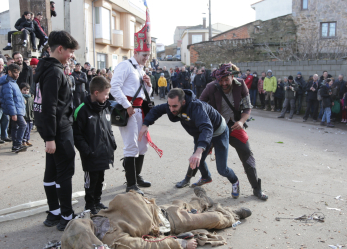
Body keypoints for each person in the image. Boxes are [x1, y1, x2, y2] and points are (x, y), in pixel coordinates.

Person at [60, 187, 252, 249]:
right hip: (169, 223)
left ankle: (203, 201)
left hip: (158, 209)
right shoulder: (112, 239)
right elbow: (145, 247)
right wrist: (181, 244)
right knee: (213, 220)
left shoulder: (97, 218)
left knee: (187, 206)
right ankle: (233, 215)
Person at [180, 63, 267, 200]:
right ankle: (188, 178)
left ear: (232, 77)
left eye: (226, 80)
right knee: (198, 153)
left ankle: (256, 188)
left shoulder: (241, 85)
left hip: (234, 126)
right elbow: (198, 105)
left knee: (246, 153)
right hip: (215, 128)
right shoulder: (211, 87)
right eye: (221, 80)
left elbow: (247, 108)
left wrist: (241, 122)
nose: (224, 83)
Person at [140, 88, 241, 199]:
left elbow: (207, 128)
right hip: (200, 132)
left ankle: (235, 181)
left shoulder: (196, 107)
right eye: (169, 105)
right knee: (197, 160)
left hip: (218, 131)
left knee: (222, 169)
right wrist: (146, 124)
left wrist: (199, 150)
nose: (171, 109)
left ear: (183, 102)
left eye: (174, 106)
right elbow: (156, 110)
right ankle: (206, 177)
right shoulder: (172, 105)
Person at [33, 30, 79, 231]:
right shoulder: (54, 72)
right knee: (64, 173)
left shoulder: (45, 68)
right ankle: (66, 215)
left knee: (52, 171)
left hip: (52, 130)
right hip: (59, 130)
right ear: (60, 49)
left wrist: (47, 135)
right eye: (70, 51)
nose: (71, 56)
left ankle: (54, 212)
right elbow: (49, 106)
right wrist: (50, 137)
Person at [110, 13, 154, 196]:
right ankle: (130, 184)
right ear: (136, 52)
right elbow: (114, 87)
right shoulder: (125, 66)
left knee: (142, 145)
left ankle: (137, 176)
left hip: (140, 111)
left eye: (148, 55)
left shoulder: (140, 69)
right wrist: (127, 105)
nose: (146, 58)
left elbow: (145, 96)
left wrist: (148, 86)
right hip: (129, 112)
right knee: (131, 146)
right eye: (144, 55)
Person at [73, 76, 116, 214]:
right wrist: (87, 151)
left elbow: (108, 129)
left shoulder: (105, 108)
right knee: (91, 181)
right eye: (106, 94)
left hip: (104, 152)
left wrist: (112, 144)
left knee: (100, 179)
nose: (107, 97)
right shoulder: (82, 110)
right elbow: (77, 135)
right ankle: (89, 205)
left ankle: (97, 201)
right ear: (96, 93)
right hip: (90, 154)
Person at [0, 63, 27, 152]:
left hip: (17, 109)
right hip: (15, 110)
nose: (17, 75)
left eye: (18, 72)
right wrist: (13, 113)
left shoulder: (12, 82)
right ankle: (18, 144)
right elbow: (9, 100)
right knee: (23, 125)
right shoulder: (7, 84)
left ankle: (15, 145)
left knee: (15, 127)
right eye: (15, 72)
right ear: (9, 72)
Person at [19, 83, 34, 147]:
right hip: (24, 116)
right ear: (21, 90)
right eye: (24, 90)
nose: (26, 92)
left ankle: (27, 140)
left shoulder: (31, 98)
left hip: (30, 116)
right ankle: (23, 141)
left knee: (30, 128)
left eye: (27, 90)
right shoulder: (21, 97)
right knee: (26, 129)